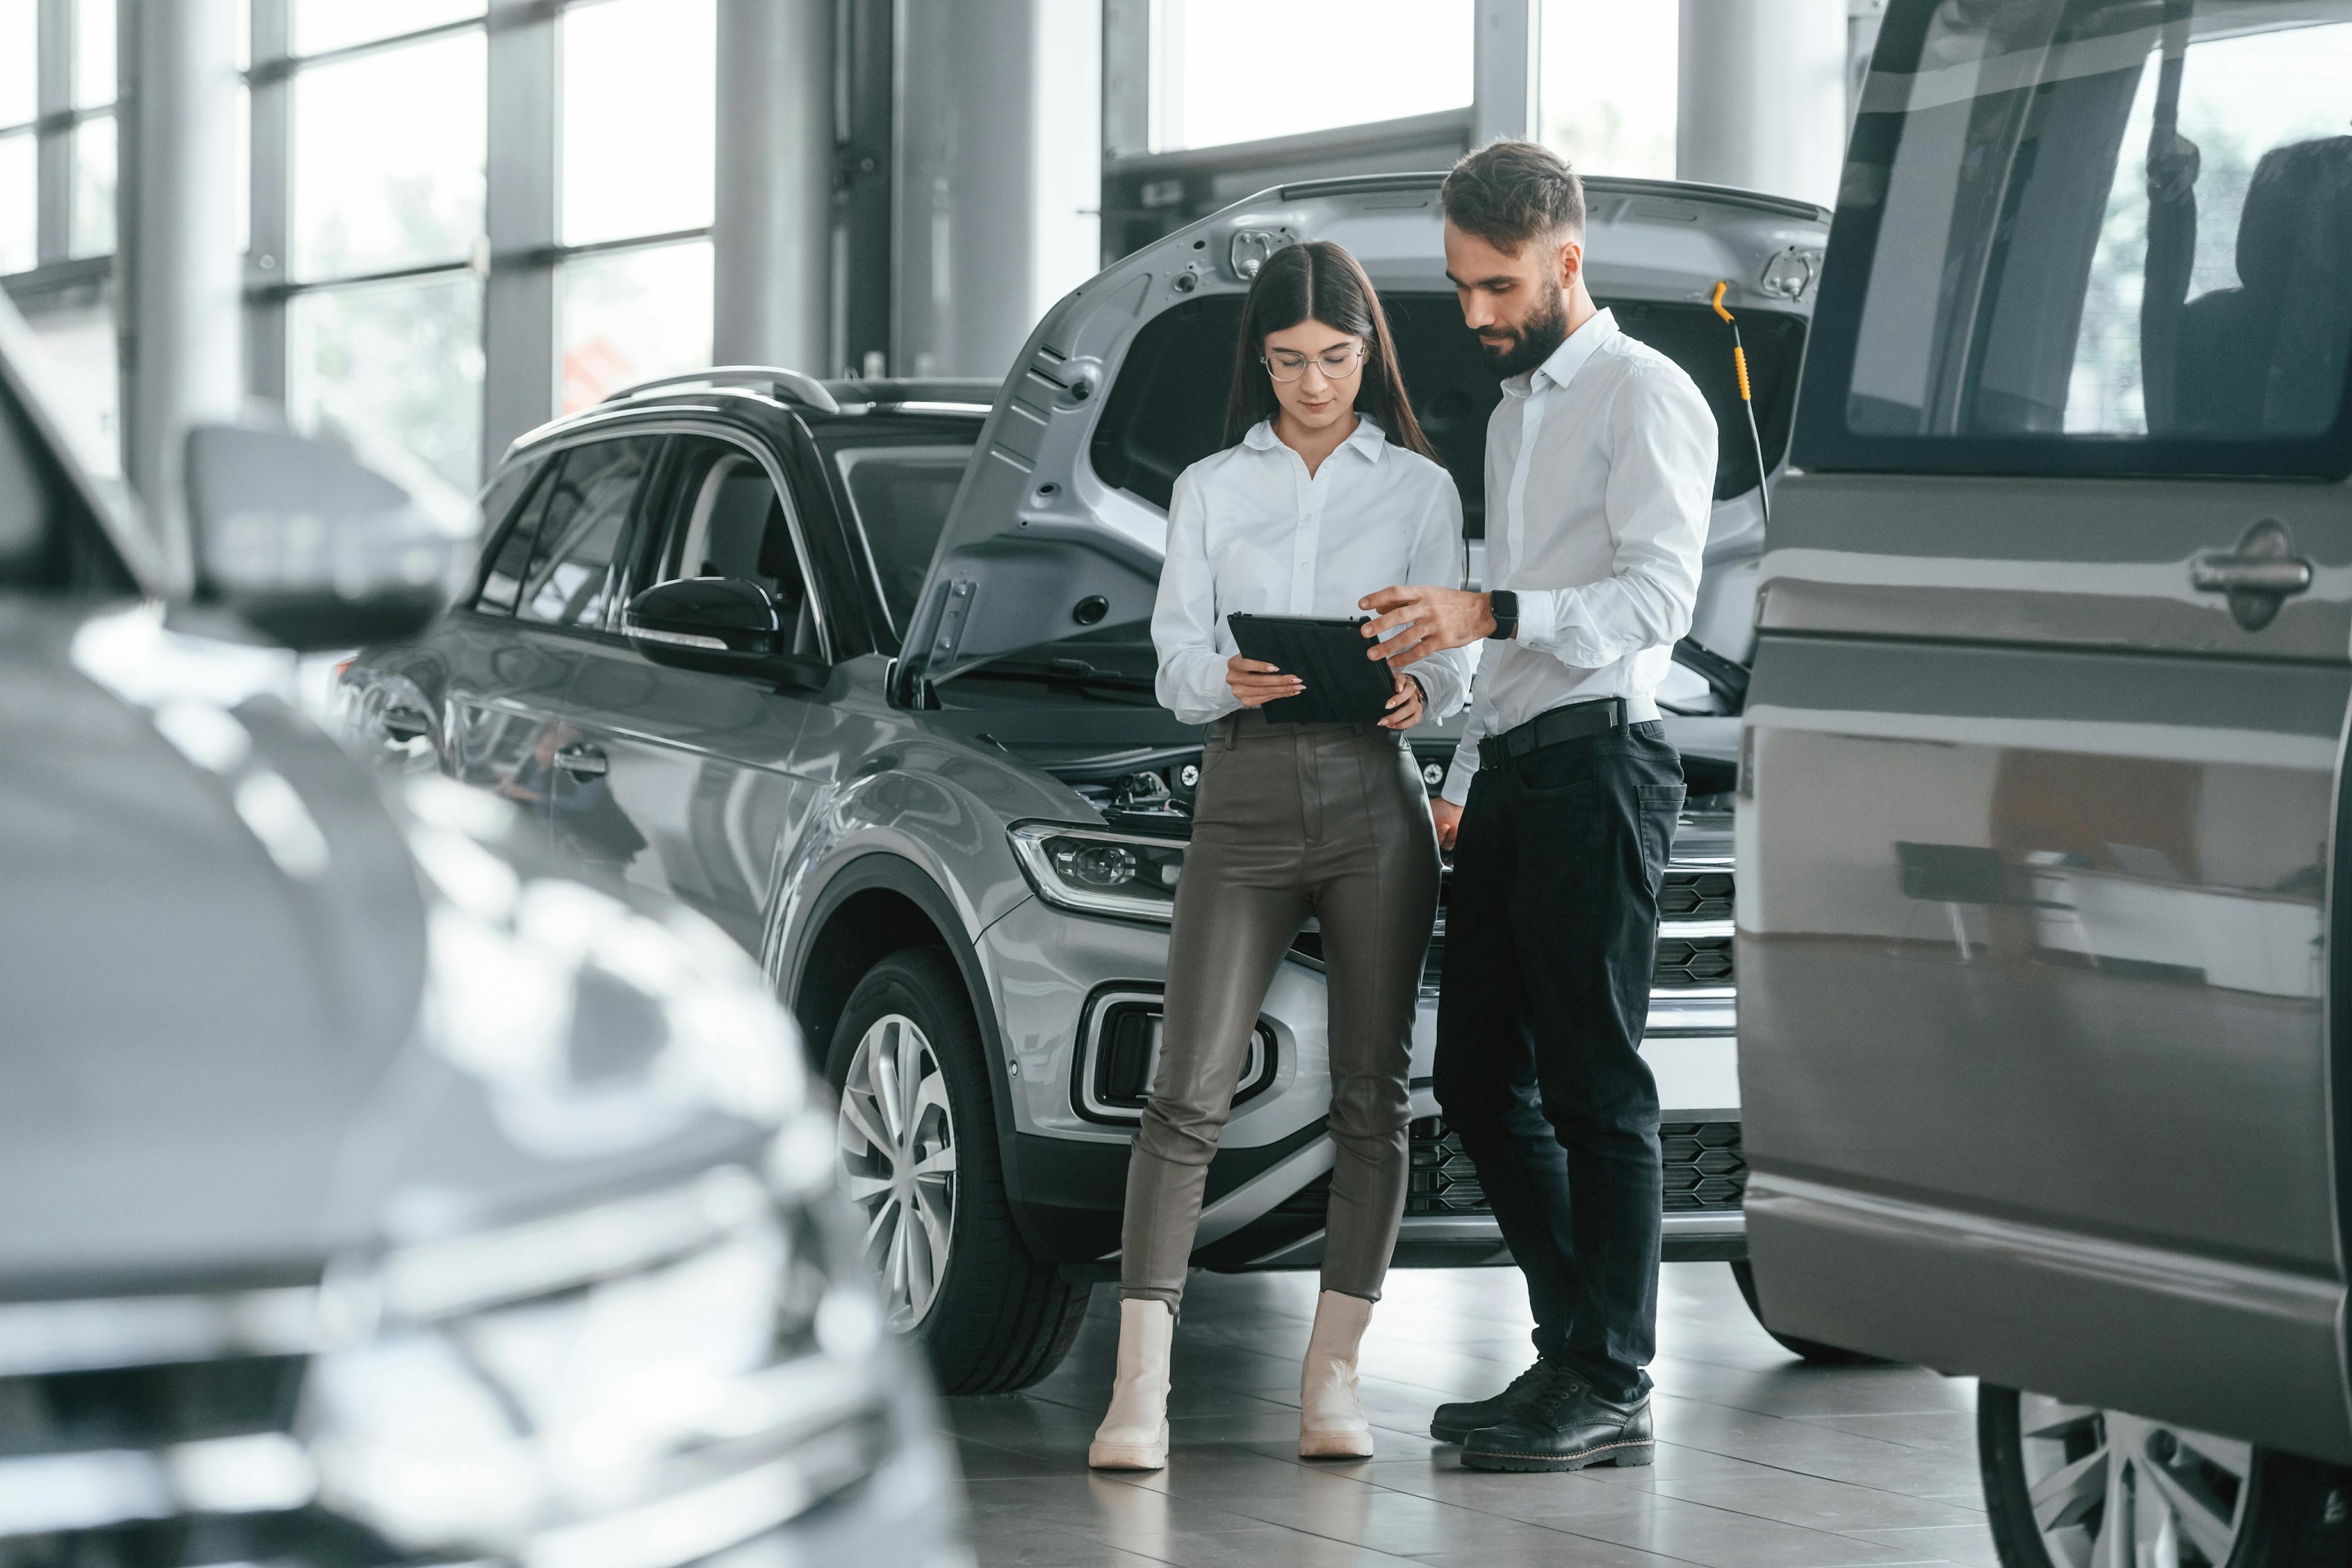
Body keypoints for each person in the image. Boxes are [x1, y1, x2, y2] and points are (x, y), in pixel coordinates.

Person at [1359, 141, 1716, 1472]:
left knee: (1595, 1083)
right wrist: (1453, 755)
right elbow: (1502, 642)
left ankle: (1608, 1370)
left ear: (1568, 258)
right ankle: (1578, 1350)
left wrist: (1489, 607)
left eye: (1497, 285)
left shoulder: (1646, 393)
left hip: (1606, 769)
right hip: (1515, 770)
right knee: (1472, 1075)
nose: (1476, 316)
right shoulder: (1514, 417)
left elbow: (1655, 602)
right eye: (1459, 287)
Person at [1089, 240, 1471, 1472]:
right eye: (1292, 362)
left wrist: (1423, 688)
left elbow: (1456, 658)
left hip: (1376, 799)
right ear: (1261, 359)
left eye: (1338, 360)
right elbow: (1172, 659)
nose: (1315, 384)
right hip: (1244, 790)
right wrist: (1222, 677)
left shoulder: (1419, 486)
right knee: (1185, 1089)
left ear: (1370, 354)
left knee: (1372, 1095)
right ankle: (1137, 1395)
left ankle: (1334, 1382)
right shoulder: (1209, 484)